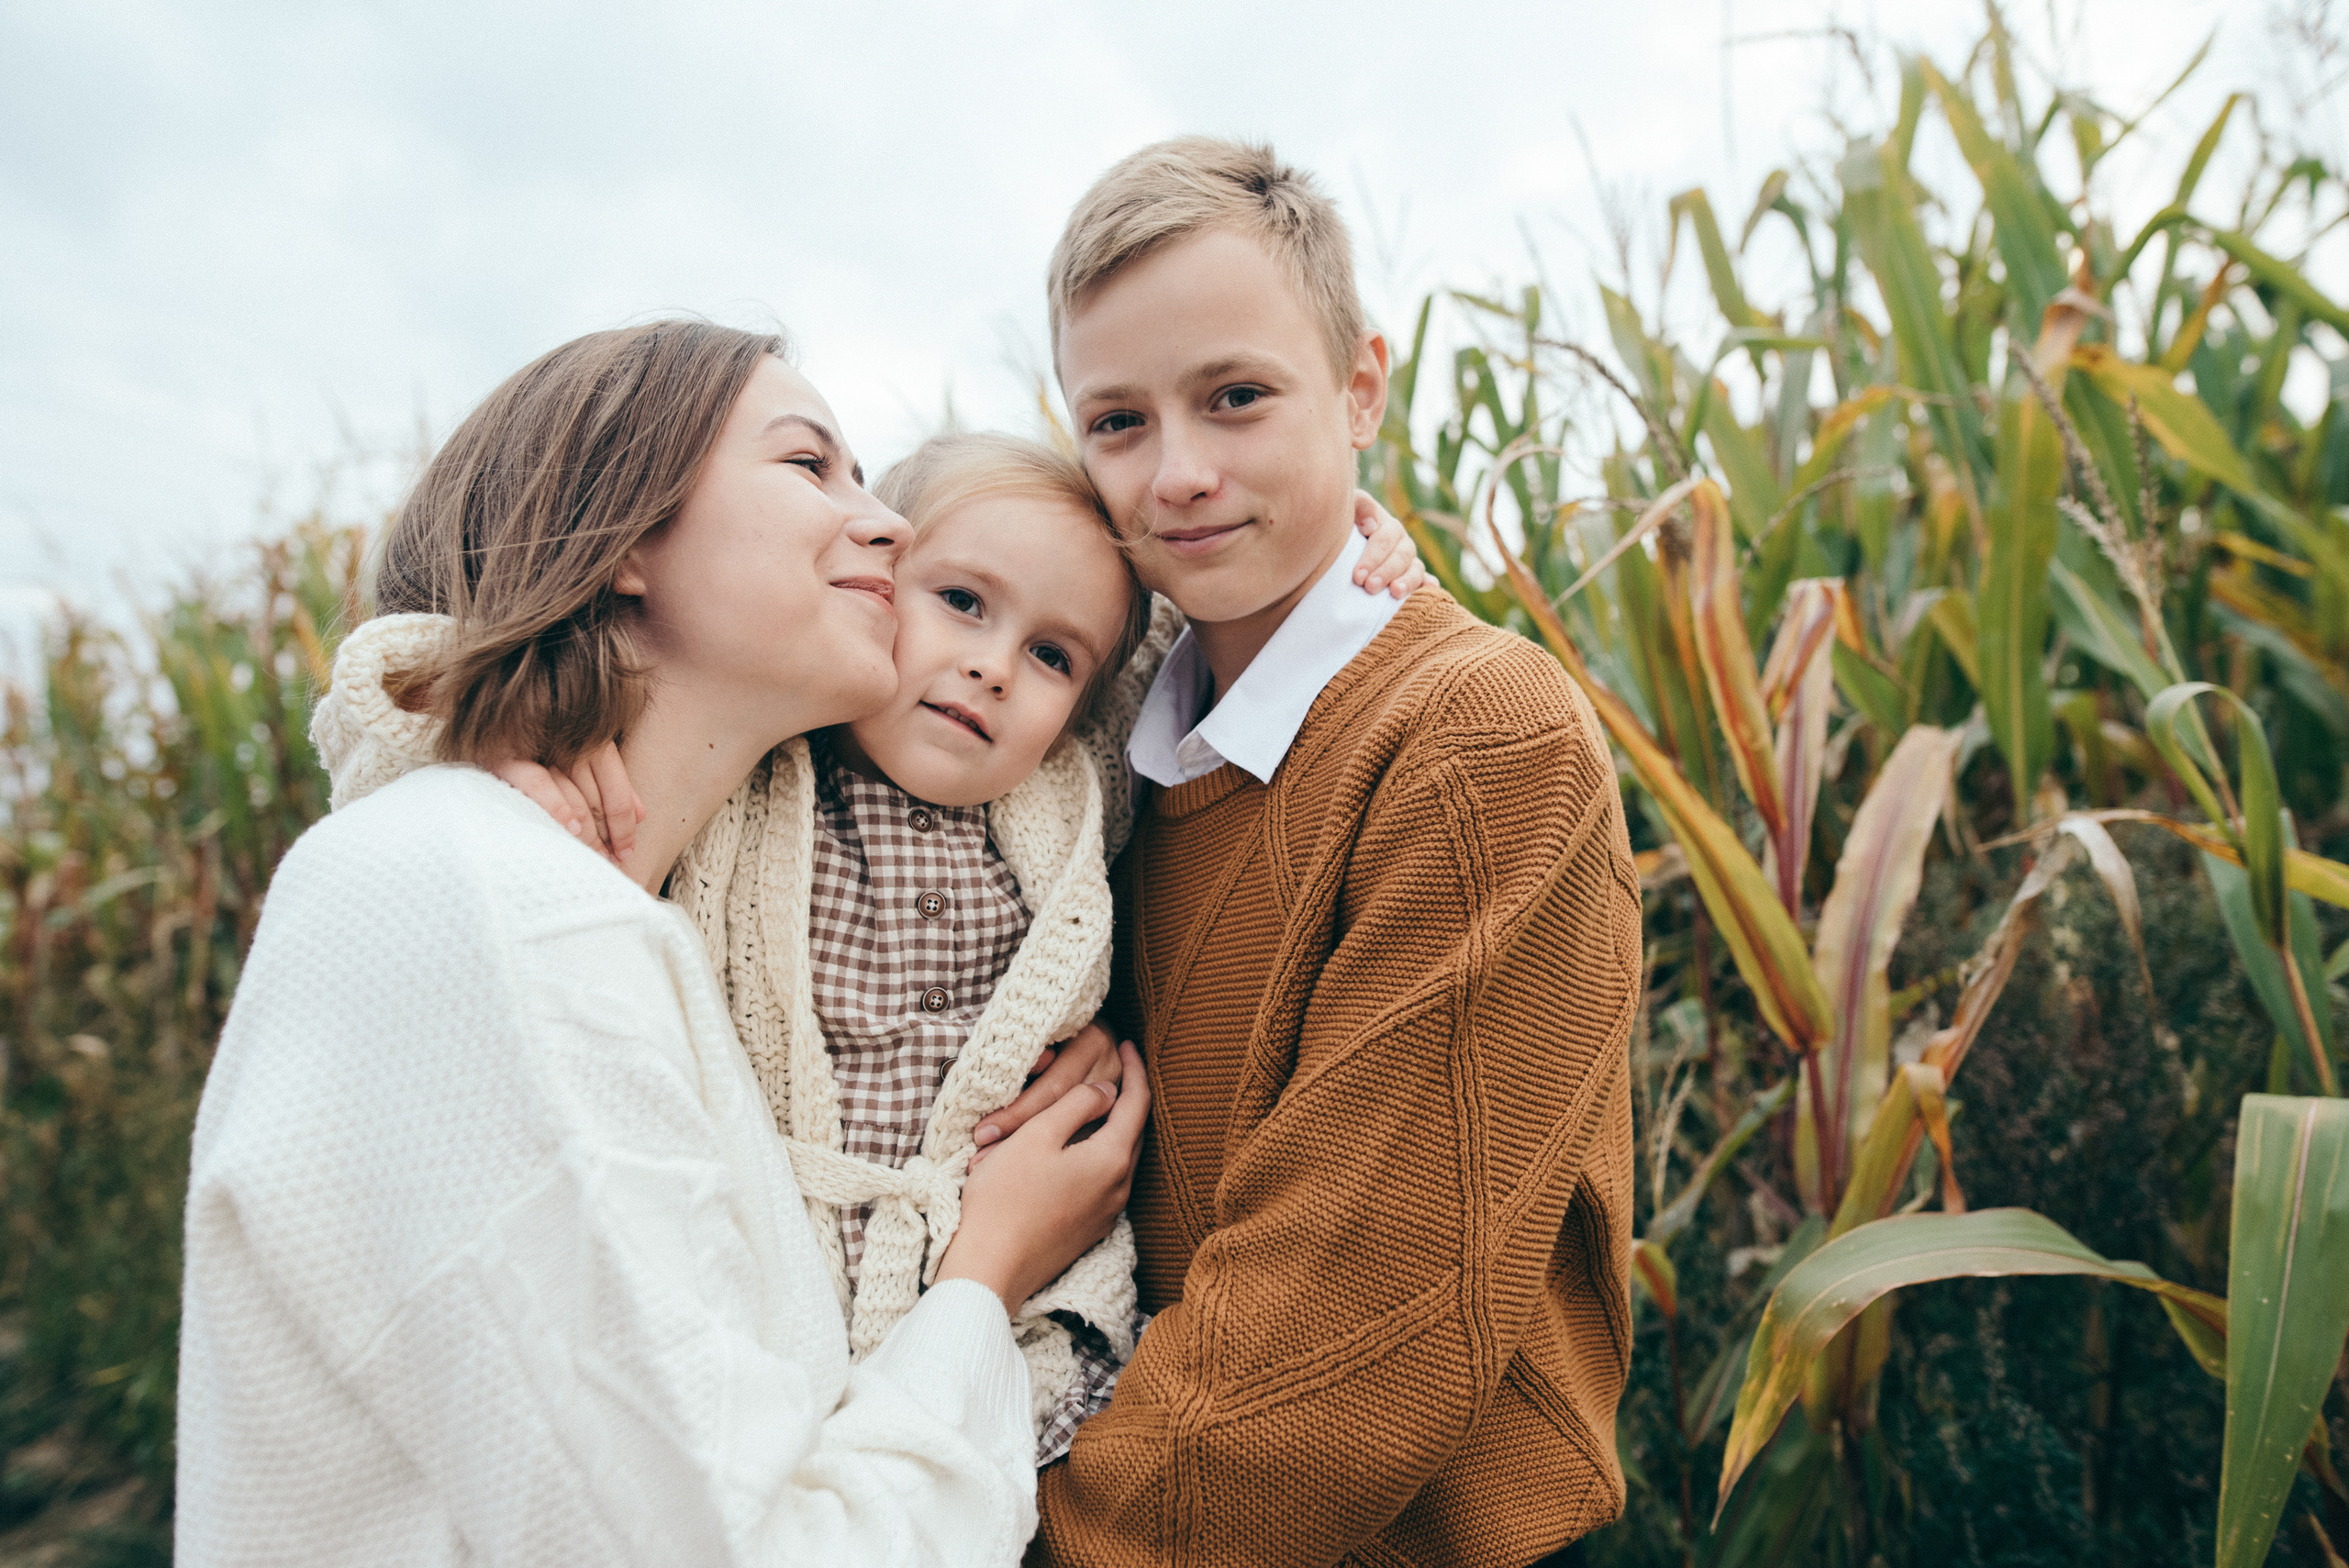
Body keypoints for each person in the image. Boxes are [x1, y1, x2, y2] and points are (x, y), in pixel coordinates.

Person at [176, 322, 1150, 1568]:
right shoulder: (501, 913)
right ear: (626, 529)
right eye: (811, 465)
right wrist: (985, 1273)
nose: (894, 529)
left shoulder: (584, 913)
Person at [306, 431, 1426, 1470]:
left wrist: (1340, 559)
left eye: (1048, 654)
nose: (992, 666)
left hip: (996, 1309)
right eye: (959, 602)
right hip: (770, 1282)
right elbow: (413, 683)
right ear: (871, 591)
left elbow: (1217, 657)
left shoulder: (1070, 792)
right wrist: (525, 722)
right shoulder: (762, 758)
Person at [1030, 138, 1645, 1568]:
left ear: (1363, 385)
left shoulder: (1477, 740)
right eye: (1116, 422)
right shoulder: (1095, 748)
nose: (1179, 474)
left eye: (1236, 397)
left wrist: (1017, 1541)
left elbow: (1354, 1312)